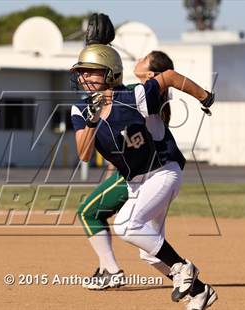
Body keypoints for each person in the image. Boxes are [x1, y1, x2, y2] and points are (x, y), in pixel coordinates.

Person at [70, 44, 217, 310]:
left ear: (110, 73)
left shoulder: (132, 96)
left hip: (162, 172)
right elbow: (83, 153)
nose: (84, 77)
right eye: (81, 72)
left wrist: (204, 97)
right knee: (148, 252)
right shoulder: (80, 110)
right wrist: (91, 122)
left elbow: (169, 76)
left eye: (91, 72)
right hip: (136, 183)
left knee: (126, 224)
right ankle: (199, 291)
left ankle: (184, 267)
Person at [77, 51, 176, 292]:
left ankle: (113, 271)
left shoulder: (141, 93)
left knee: (91, 212)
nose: (139, 59)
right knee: (149, 250)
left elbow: (118, 94)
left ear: (151, 74)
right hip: (148, 170)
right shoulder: (136, 92)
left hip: (148, 171)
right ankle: (185, 277)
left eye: (145, 59)